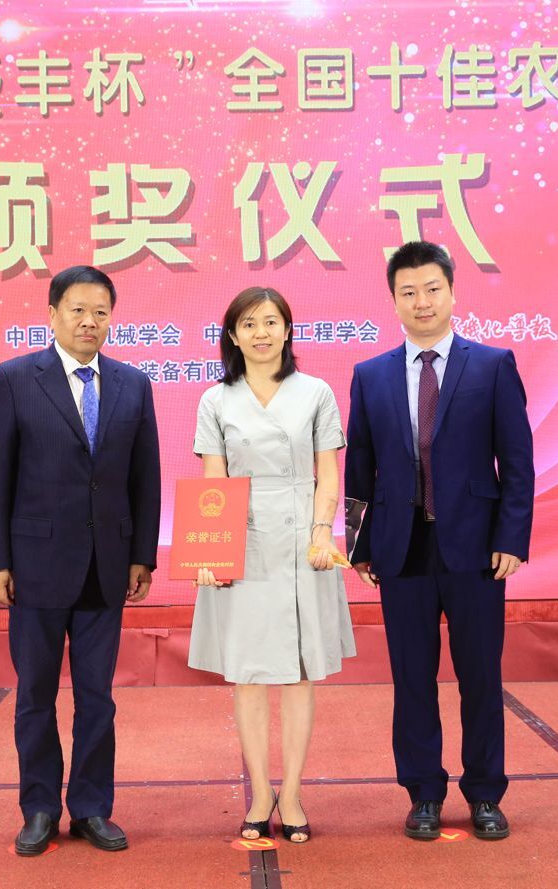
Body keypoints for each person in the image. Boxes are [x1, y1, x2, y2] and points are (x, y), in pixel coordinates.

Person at [345, 241, 534, 842]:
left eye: (432, 289)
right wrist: (359, 544)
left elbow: (517, 461)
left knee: (480, 676)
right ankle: (423, 792)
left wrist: (512, 537)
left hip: (476, 548)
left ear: (452, 293)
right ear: (393, 300)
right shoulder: (371, 375)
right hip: (401, 549)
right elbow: (359, 467)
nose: (421, 301)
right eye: (408, 292)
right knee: (412, 679)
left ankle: (485, 793)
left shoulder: (492, 365)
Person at [0, 265, 161, 856]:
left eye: (100, 312)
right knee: (35, 693)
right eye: (77, 310)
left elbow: (145, 477)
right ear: (52, 313)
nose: (89, 321)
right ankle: (37, 808)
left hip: (107, 567)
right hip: (34, 566)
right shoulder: (14, 379)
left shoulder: (133, 384)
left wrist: (142, 555)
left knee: (97, 696)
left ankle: (90, 807)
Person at [189, 286, 356, 844]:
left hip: (304, 542)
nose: (261, 333)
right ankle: (261, 792)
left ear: (287, 329)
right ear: (232, 336)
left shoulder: (316, 392)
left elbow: (328, 472)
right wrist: (212, 549)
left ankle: (294, 792)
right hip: (244, 541)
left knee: (301, 674)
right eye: (249, 324)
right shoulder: (216, 400)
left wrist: (322, 531)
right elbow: (213, 481)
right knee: (248, 674)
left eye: (270, 322)